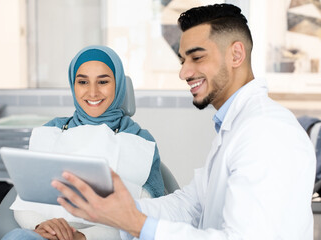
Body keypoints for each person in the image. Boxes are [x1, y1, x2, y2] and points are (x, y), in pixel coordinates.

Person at [51, 4, 316, 240]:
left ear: (236, 55)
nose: (184, 72)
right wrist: (121, 210)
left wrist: (136, 222)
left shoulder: (267, 132)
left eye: (197, 57)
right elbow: (191, 205)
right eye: (182, 60)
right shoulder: (234, 128)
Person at [1, 45, 164, 240]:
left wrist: (81, 237)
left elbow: (146, 215)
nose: (93, 92)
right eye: (83, 82)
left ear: (118, 84)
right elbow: (25, 201)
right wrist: (43, 226)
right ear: (73, 85)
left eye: (103, 81)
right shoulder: (50, 131)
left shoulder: (138, 140)